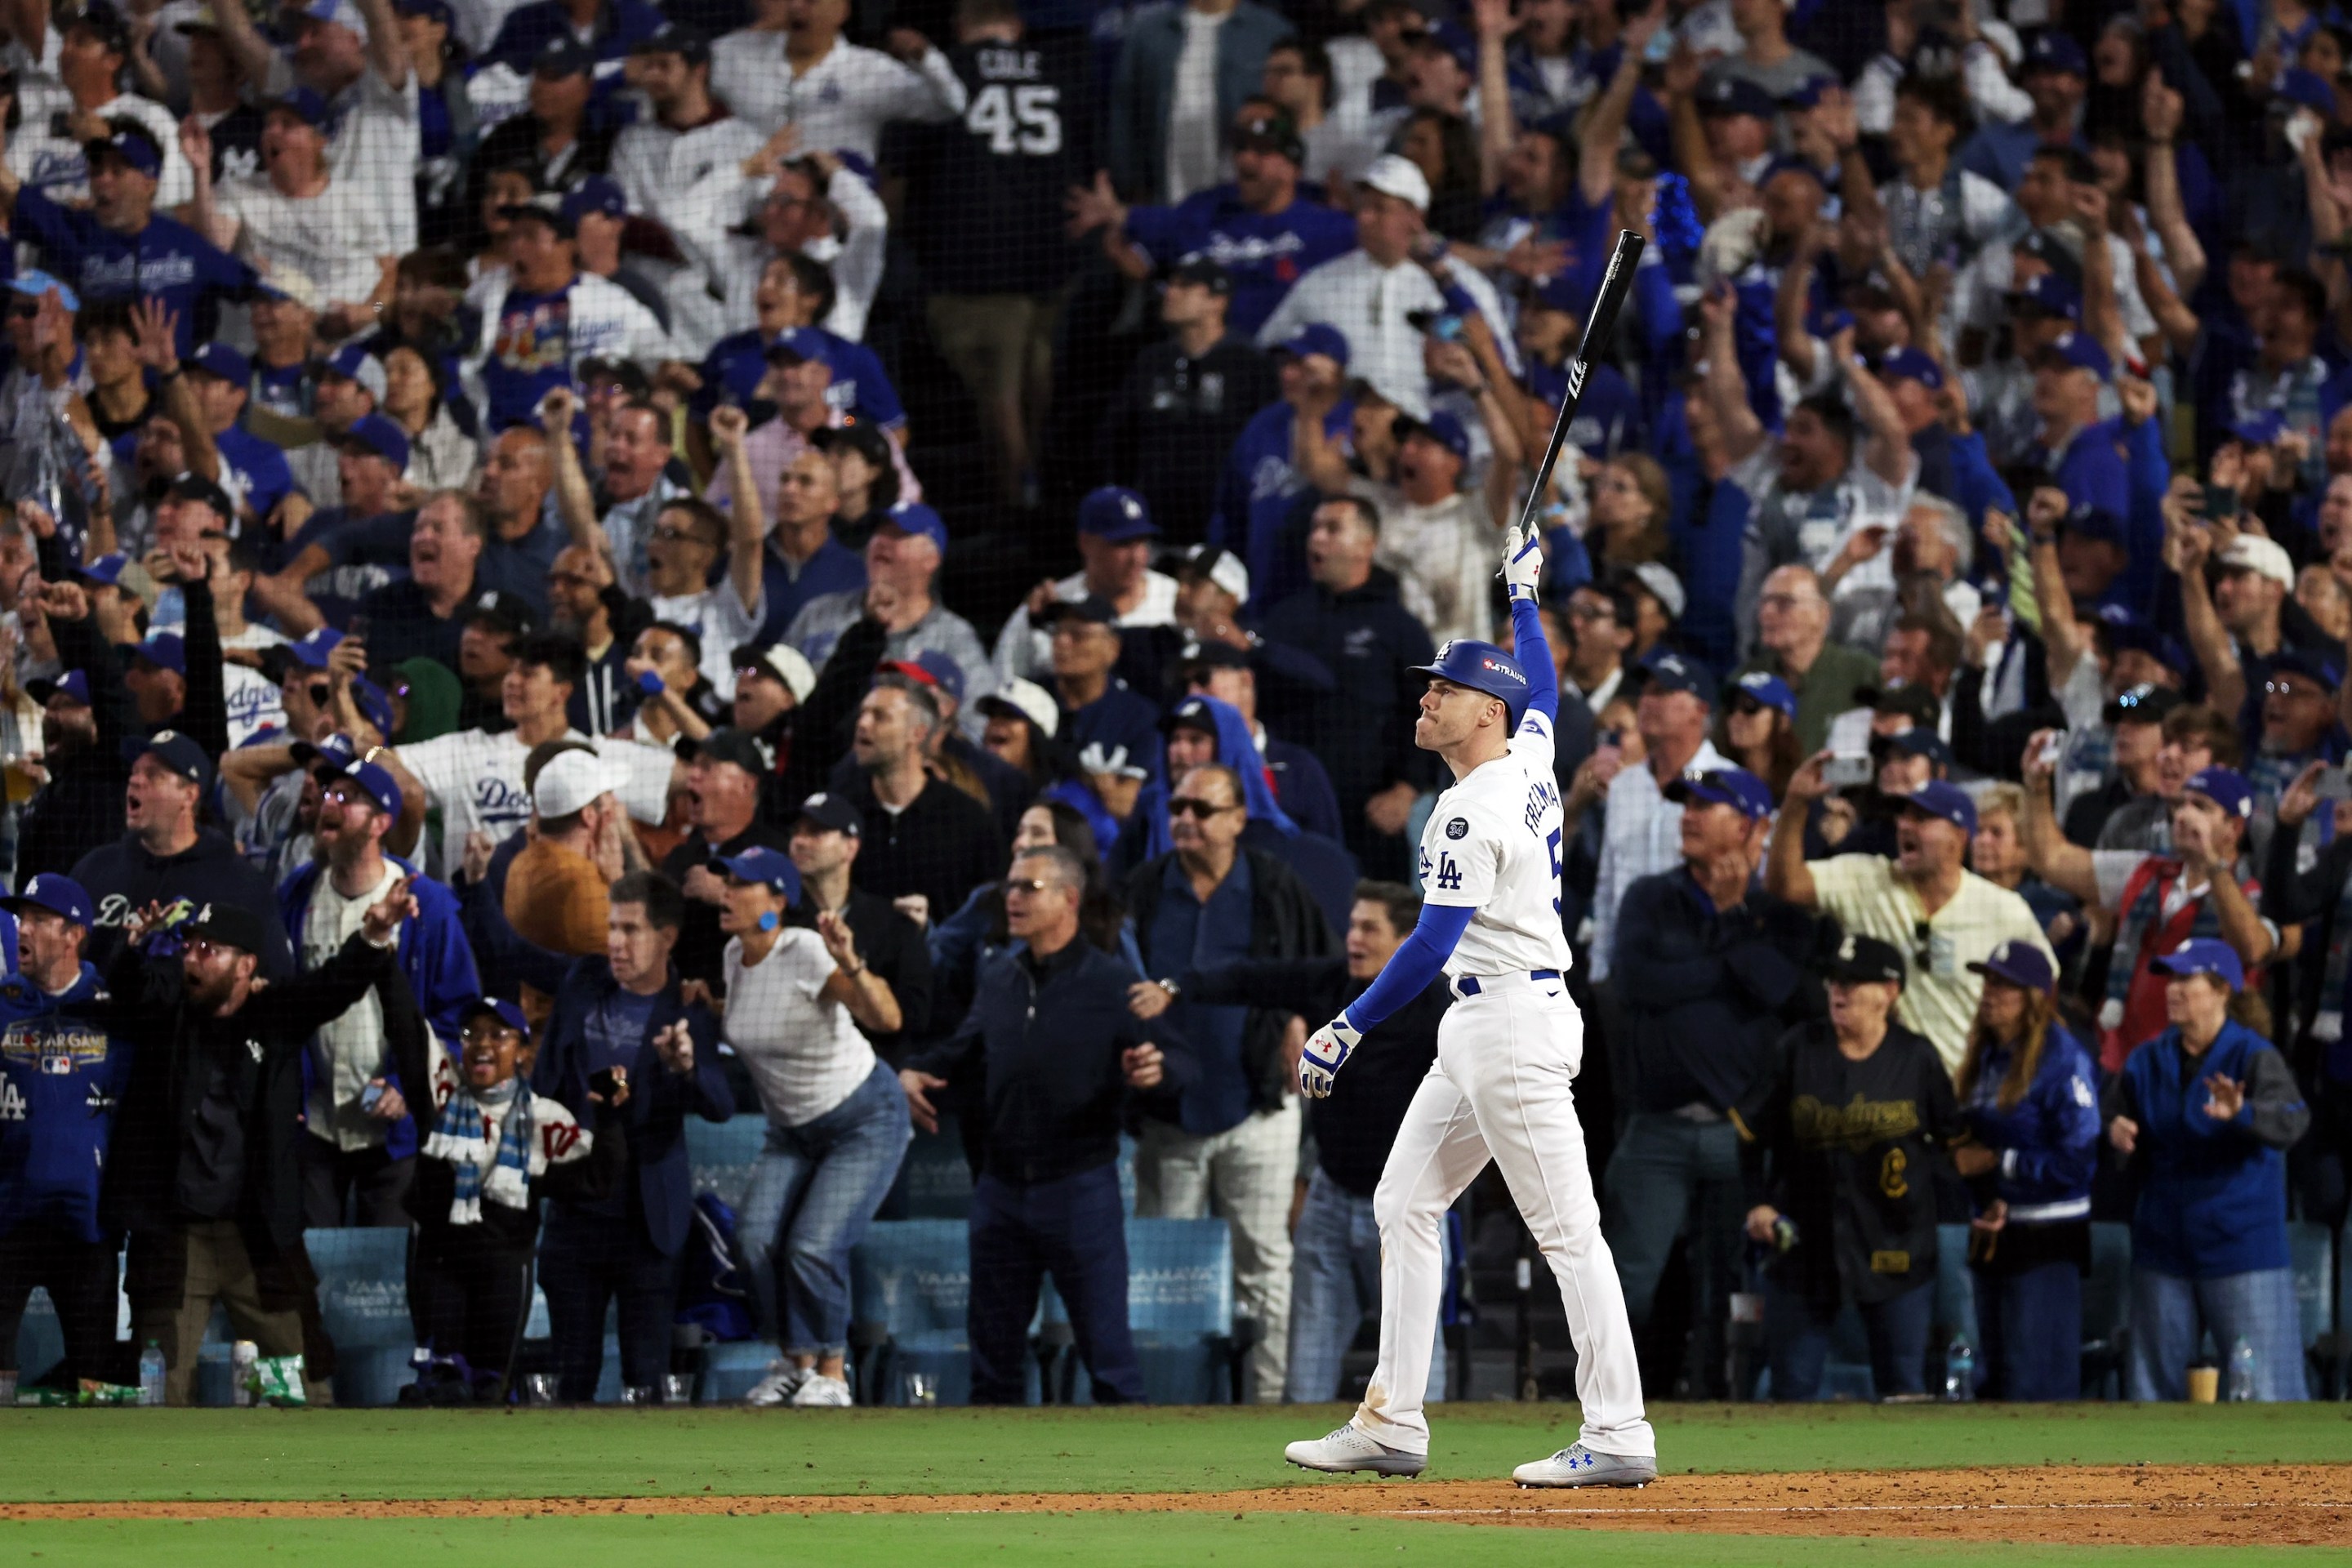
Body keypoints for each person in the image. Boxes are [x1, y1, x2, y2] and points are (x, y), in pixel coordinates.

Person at [1282, 523, 1654, 1486]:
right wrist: (1524, 592)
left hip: (1510, 1028)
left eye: (1444, 688)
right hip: (1491, 1021)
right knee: (1405, 1200)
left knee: (1569, 1230)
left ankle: (1618, 1432)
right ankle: (1393, 1419)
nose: (1427, 696)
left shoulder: (1468, 808)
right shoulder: (1528, 756)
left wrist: (1346, 1026)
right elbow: (1547, 684)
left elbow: (1430, 942)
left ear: (1485, 711)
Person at [92, 888, 415, 1405]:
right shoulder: (166, 1015)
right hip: (177, 1236)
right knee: (160, 1388)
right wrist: (133, 946)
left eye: (209, 949)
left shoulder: (275, 1015)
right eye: (190, 946)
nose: (193, 958)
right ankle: (159, 1485)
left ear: (246, 966)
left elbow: (335, 986)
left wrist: (375, 934)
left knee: (308, 1386)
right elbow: (131, 988)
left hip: (258, 1233)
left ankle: (325, 1482)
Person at [900, 844, 1191, 1405]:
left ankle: (1136, 1491)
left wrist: (1156, 1070)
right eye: (1010, 886)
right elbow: (959, 1051)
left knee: (1109, 1363)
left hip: (1080, 1189)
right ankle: (992, 1491)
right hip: (1000, 1190)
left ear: (1069, 900)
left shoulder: (1113, 982)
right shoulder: (1000, 978)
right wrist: (911, 1073)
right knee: (992, 1365)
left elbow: (1181, 1062)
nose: (1011, 898)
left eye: (1027, 888)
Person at [1162, 880, 1446, 1402]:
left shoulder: (1439, 1005)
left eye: (1369, 928)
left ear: (1408, 939)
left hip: (1407, 1207)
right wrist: (1178, 986)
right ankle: (1297, 1482)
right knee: (1307, 1371)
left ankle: (1445, 1472)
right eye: (1352, 925)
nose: (1353, 938)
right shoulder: (1331, 982)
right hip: (1331, 1198)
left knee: (1419, 1362)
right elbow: (1252, 980)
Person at [1605, 764, 1817, 1397]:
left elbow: (1780, 989)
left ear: (1752, 826)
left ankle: (1732, 1408)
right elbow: (1638, 983)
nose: (1690, 815)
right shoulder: (1651, 895)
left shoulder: (1781, 909)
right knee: (1626, 1282)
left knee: (1735, 1285)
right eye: (1687, 803)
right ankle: (1609, 1404)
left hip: (1741, 1131)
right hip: (1658, 1125)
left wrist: (1729, 921)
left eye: (1708, 805)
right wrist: (1732, 955)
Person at [1123, 761, 1332, 1402]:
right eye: (1177, 806)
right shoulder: (1144, 887)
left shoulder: (1275, 886)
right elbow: (1116, 983)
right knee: (1165, 1273)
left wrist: (1300, 1019)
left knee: (1264, 1266)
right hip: (1170, 1114)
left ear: (1239, 820)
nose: (1185, 818)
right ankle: (1169, 1404)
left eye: (1202, 809)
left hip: (1258, 1107)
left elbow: (1319, 973)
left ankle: (1267, 1407)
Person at [706, 846, 909, 1410]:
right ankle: (795, 1363)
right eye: (725, 880)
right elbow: (762, 1021)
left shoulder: (807, 951)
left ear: (777, 901)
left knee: (813, 1246)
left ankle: (834, 1372)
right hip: (792, 1130)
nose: (726, 891)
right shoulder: (731, 955)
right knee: (752, 1241)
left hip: (863, 1118)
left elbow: (886, 1018)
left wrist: (852, 962)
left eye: (741, 884)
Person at [1735, 933, 1966, 1401]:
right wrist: (1756, 1202)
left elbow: (1952, 1147)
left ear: (1890, 992)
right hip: (1805, 1243)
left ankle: (1913, 1480)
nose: (1839, 991)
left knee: (1903, 1392)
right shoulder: (1798, 1048)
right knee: (1792, 1393)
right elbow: (1749, 1136)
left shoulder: (1916, 1058)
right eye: (1835, 981)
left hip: (1896, 1246)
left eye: (1855, 982)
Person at [532, 871, 734, 1401]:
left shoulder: (688, 1008)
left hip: (647, 1219)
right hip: (575, 1211)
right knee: (568, 1375)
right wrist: (476, 885)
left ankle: (645, 1485)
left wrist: (685, 1068)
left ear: (667, 937)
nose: (615, 943)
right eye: (611, 928)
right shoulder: (584, 978)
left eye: (631, 930)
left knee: (645, 1378)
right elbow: (508, 952)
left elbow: (721, 1104)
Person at [278, 751, 480, 1227]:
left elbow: (459, 1017)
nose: (329, 803)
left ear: (380, 823)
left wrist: (405, 1083)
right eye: (327, 793)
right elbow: (286, 1002)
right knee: (313, 1269)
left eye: (347, 798)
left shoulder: (426, 906)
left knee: (388, 1279)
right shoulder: (296, 895)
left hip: (397, 1131)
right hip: (316, 1125)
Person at [2108, 941, 2311, 1402]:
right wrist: (2114, 1130)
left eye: (2186, 979)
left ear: (2222, 990)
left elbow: (2293, 1120)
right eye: (2171, 979)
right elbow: (2113, 1119)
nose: (2173, 990)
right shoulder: (2146, 1059)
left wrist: (2243, 1111)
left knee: (2265, 1393)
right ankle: (2148, 1478)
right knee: (2153, 1394)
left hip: (2241, 1249)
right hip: (2163, 1246)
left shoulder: (2252, 1055)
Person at [402, 996, 627, 1403]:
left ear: (522, 1050)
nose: (482, 1044)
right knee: (440, 1382)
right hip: (438, 1266)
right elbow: (402, 1020)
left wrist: (610, 1119)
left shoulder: (544, 1118)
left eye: (498, 1035)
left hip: (503, 1271)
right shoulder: (439, 1101)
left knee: (490, 1388)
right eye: (472, 1034)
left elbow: (596, 1183)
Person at [1767, 760, 2051, 1073]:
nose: (1904, 825)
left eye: (1922, 818)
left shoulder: (2004, 910)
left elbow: (2044, 993)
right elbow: (1786, 885)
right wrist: (1795, 802)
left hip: (1959, 1095)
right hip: (1879, 1095)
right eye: (1903, 815)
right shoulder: (1865, 879)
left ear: (1958, 837)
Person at [1953, 941, 2100, 1402]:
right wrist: (1983, 1191)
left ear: (2035, 996)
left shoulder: (2062, 1058)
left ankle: (2055, 1476)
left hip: (2047, 1238)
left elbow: (2078, 1159)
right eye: (1988, 981)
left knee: (2036, 1383)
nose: (1989, 993)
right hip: (1996, 1233)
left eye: (2005, 985)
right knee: (1997, 1381)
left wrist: (2003, 1162)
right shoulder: (1987, 1056)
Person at [0, 875, 127, 1389]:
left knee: (91, 1378)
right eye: (19, 918)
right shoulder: (4, 1002)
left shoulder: (115, 1005)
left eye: (36, 919)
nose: (21, 929)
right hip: (9, 1215)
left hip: (89, 1220)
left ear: (74, 934)